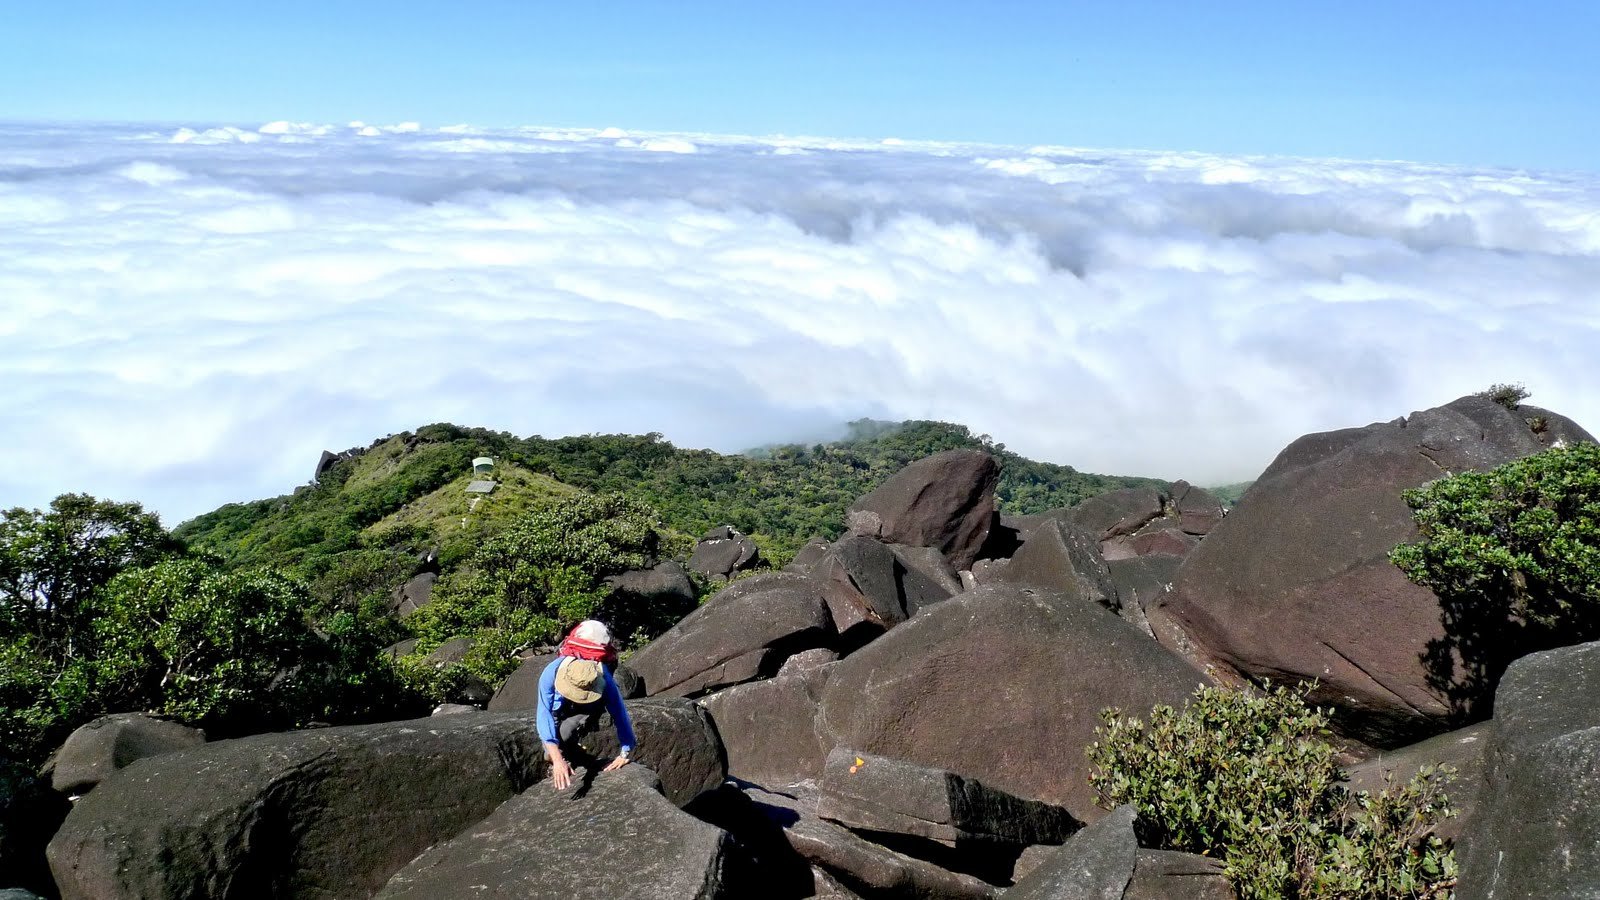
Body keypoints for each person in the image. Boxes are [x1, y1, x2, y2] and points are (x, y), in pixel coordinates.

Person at [536, 620, 636, 790]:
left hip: (590, 705)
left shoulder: (603, 677)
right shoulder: (550, 673)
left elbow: (619, 713)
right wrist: (557, 758)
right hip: (560, 705)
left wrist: (625, 751)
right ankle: (562, 753)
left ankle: (569, 747)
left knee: (566, 731)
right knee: (553, 741)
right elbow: (544, 713)